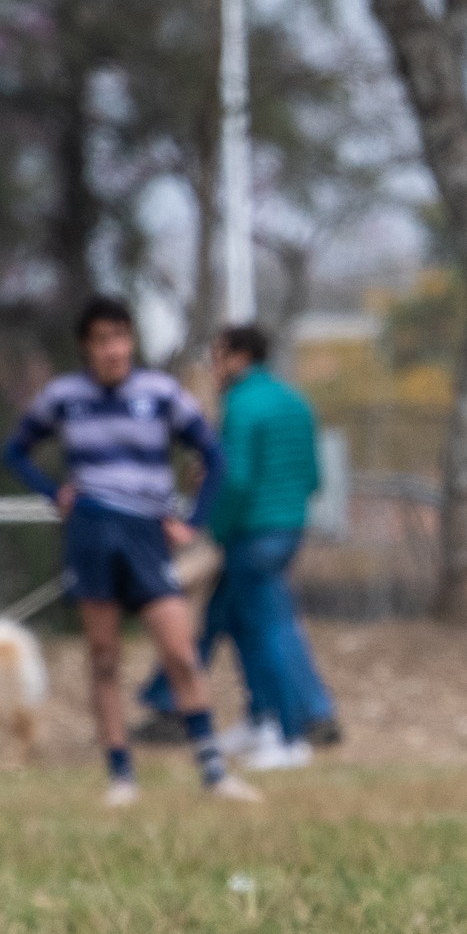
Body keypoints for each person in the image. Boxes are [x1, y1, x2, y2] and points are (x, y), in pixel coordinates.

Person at [2, 297, 261, 807]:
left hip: (147, 534)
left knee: (181, 653)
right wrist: (54, 493)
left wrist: (193, 522)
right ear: (86, 346)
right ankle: (121, 775)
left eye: (121, 337)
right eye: (102, 340)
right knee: (104, 658)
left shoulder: (160, 393)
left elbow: (213, 453)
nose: (114, 350)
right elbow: (15, 451)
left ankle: (214, 772)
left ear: (132, 341)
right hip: (92, 533)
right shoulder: (63, 396)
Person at [137, 324, 341, 768]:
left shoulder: (241, 405)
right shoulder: (294, 400)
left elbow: (236, 477)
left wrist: (205, 524)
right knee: (230, 619)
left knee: (265, 631)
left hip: (252, 533)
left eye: (217, 356)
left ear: (239, 357)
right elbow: (313, 477)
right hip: (289, 526)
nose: (213, 367)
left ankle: (288, 736)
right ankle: (259, 719)